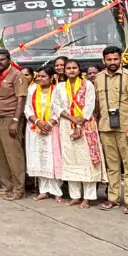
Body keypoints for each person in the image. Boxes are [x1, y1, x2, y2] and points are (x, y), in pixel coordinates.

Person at [54, 59, 106, 207]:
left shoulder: (87, 85)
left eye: (74, 68)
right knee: (70, 160)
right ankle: (75, 196)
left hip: (86, 125)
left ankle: (87, 197)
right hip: (66, 125)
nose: (71, 70)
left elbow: (90, 105)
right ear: (64, 71)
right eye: (68, 68)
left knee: (86, 160)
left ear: (79, 70)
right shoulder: (60, 87)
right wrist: (71, 118)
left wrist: (78, 124)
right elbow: (55, 105)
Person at [93, 46, 128, 213]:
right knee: (112, 166)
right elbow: (96, 105)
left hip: (125, 128)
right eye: (109, 59)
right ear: (103, 61)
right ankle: (113, 198)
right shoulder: (98, 78)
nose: (112, 62)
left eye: (115, 59)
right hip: (105, 127)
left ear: (121, 59)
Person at [0, 49, 29, 200]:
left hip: (10, 119)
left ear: (9, 59)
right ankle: (7, 186)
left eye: (2, 59)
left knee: (14, 155)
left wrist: (15, 121)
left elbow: (21, 100)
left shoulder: (17, 75)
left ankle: (18, 189)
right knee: (0, 156)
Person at [25, 68, 63, 201]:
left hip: (53, 128)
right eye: (38, 76)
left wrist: (49, 123)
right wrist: (37, 122)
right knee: (39, 158)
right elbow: (27, 109)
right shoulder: (32, 90)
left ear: (51, 77)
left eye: (43, 76)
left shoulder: (57, 90)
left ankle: (57, 191)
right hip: (35, 128)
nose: (39, 79)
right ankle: (43, 190)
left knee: (53, 159)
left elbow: (60, 108)